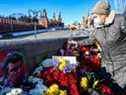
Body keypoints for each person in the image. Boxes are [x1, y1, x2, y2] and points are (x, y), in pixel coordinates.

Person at [90, 0, 126, 88]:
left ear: (103, 15)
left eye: (96, 16)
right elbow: (91, 40)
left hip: (122, 67)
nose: (94, 18)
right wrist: (76, 43)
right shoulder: (98, 27)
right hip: (107, 68)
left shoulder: (120, 20)